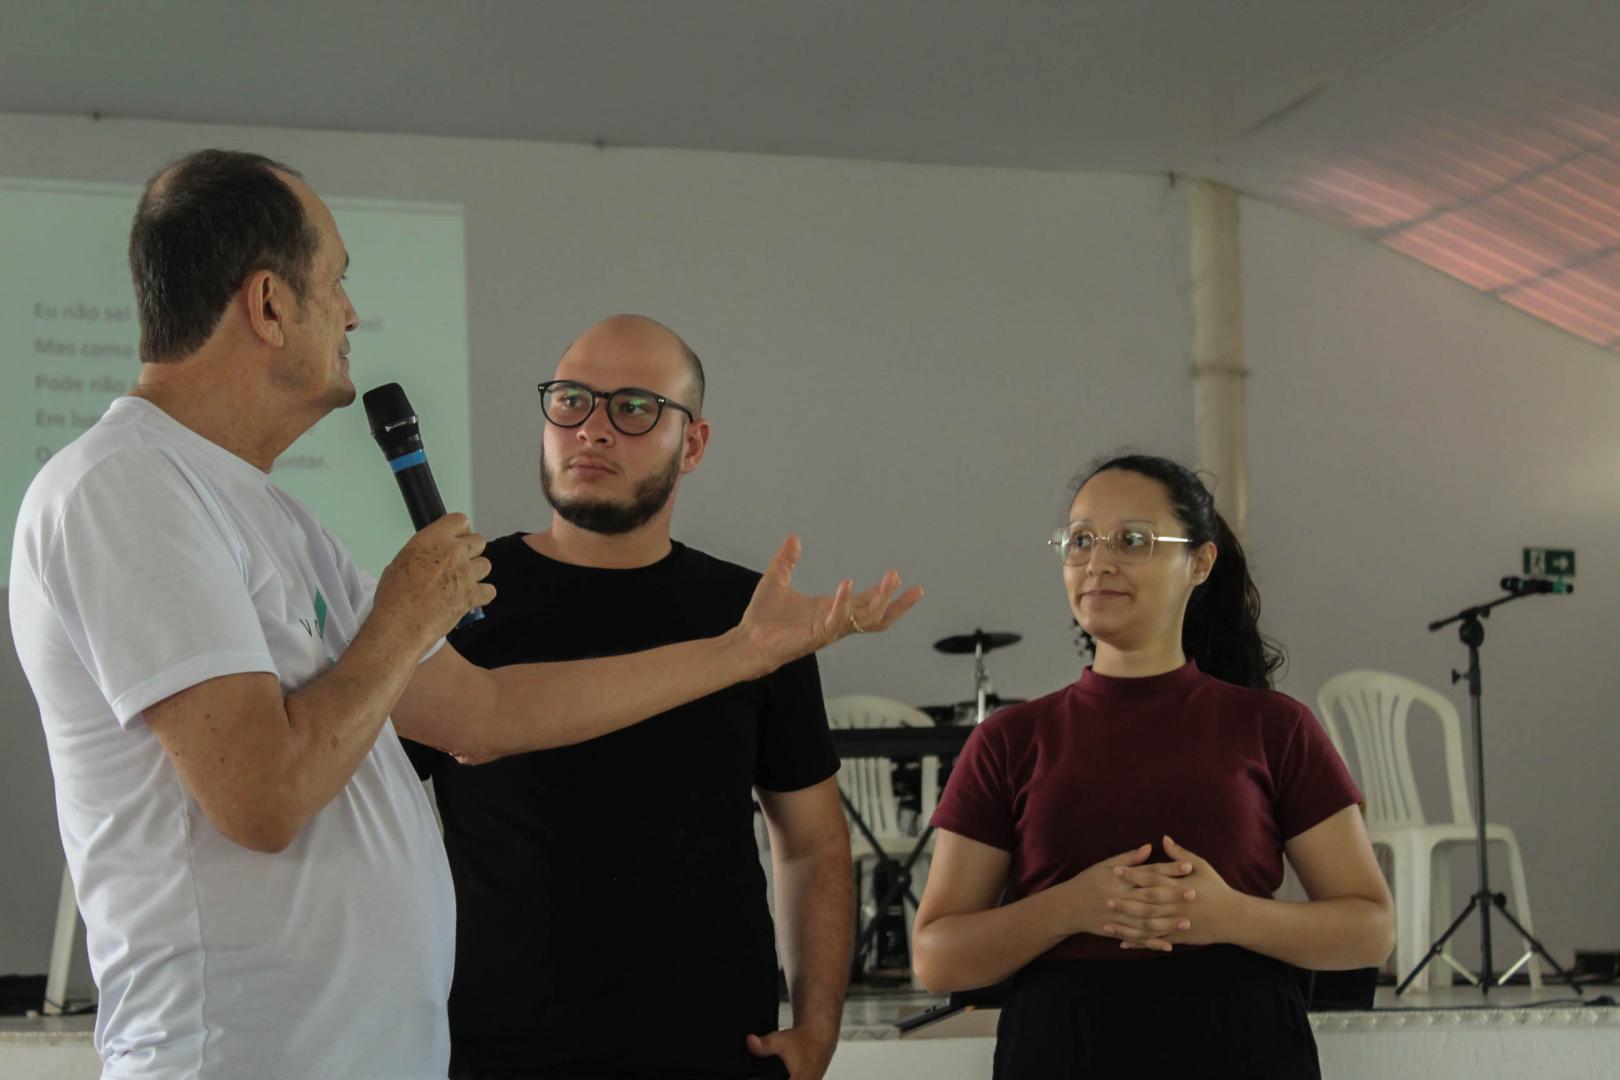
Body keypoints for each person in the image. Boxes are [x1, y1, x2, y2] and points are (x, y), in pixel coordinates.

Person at [7, 150, 918, 1080]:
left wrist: (739, 653)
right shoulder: (126, 486)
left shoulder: (272, 515)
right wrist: (403, 618)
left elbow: (484, 713)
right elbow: (260, 796)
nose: (351, 313)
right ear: (271, 304)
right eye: (337, 282)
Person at [405, 314, 870, 1080]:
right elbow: (362, 820)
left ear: (693, 443)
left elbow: (812, 841)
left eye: (634, 408)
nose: (592, 429)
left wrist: (819, 1025)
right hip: (495, 1052)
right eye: (571, 400)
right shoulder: (459, 597)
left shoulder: (754, 618)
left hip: (714, 1051)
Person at [912, 454, 1393, 1078]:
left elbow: (1369, 930)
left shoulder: (1275, 727)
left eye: (1132, 541)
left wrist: (1230, 916)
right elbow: (937, 958)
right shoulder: (1008, 740)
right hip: (1062, 1052)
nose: (1098, 562)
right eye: (1080, 541)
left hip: (1242, 1048)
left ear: (1200, 562)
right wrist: (1074, 907)